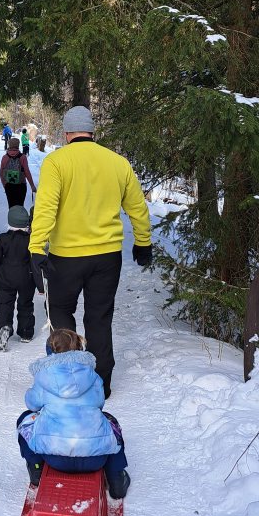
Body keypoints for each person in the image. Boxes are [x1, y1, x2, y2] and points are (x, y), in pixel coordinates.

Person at [29, 105, 152, 398]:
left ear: (67, 133)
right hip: (107, 257)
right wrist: (143, 242)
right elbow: (137, 207)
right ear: (92, 132)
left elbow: (46, 208)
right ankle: (101, 383)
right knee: (99, 318)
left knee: (61, 311)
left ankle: (67, 378)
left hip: (66, 257)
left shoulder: (56, 162)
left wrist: (36, 248)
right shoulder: (117, 163)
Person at [16, 328, 130, 498]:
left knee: (24, 419)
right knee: (112, 424)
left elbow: (32, 404)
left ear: (50, 351)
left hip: (54, 458)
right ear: (79, 349)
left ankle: (36, 469)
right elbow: (100, 404)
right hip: (95, 458)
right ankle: (116, 478)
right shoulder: (92, 375)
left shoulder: (44, 377)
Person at [0, 205, 41, 351]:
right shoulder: (31, 240)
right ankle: (26, 332)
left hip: (5, 277)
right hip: (26, 277)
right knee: (25, 303)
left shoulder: (3, 238)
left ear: (9, 222)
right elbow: (34, 262)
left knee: (4, 303)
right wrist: (40, 285)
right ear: (27, 223)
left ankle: (4, 326)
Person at [0, 136, 36, 208]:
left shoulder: (5, 157)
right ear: (17, 145)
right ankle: (19, 218)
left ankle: (12, 219)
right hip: (21, 186)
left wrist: (5, 185)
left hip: (9, 186)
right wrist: (32, 185)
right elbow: (27, 172)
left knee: (11, 207)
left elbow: (1, 173)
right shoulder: (22, 157)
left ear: (9, 145)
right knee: (20, 206)